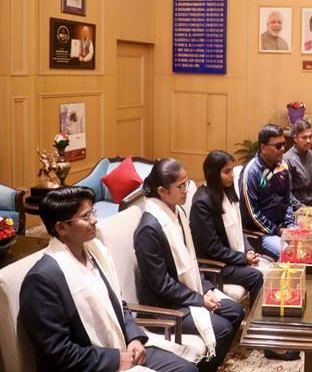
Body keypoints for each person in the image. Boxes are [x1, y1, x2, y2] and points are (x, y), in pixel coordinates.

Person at [19, 186, 197, 372]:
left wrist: (133, 338)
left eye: (92, 212)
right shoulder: (42, 280)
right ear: (61, 227)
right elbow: (57, 353)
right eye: (86, 216)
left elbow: (119, 304)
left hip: (122, 345)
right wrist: (116, 359)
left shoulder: (95, 252)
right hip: (93, 364)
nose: (94, 220)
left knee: (187, 369)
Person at [134, 158, 244, 372]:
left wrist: (206, 289)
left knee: (235, 311)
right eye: (181, 186)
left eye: (187, 183)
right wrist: (199, 300)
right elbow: (161, 284)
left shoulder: (178, 213)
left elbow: (190, 263)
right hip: (163, 306)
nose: (187, 190)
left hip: (187, 292)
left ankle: (214, 362)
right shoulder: (149, 229)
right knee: (222, 329)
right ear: (162, 191)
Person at [189, 150, 264, 305]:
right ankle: (256, 318)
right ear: (213, 173)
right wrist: (243, 258)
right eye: (227, 171)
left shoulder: (227, 192)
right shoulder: (202, 203)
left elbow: (239, 228)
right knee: (256, 276)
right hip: (215, 265)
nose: (232, 175)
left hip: (231, 258)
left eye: (232, 170)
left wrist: (248, 250)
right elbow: (212, 249)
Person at [239, 124, 295, 261]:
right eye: (278, 146)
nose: (282, 149)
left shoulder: (282, 165)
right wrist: (278, 231)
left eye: (284, 144)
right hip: (262, 233)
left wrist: (290, 225)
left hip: (282, 226)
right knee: (292, 255)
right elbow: (253, 214)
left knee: (307, 248)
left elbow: (287, 201)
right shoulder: (251, 172)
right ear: (263, 147)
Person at [284, 119, 312, 210]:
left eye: (310, 137)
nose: (308, 141)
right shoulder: (287, 159)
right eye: (304, 137)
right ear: (295, 138)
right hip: (297, 209)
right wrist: (305, 210)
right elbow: (287, 195)